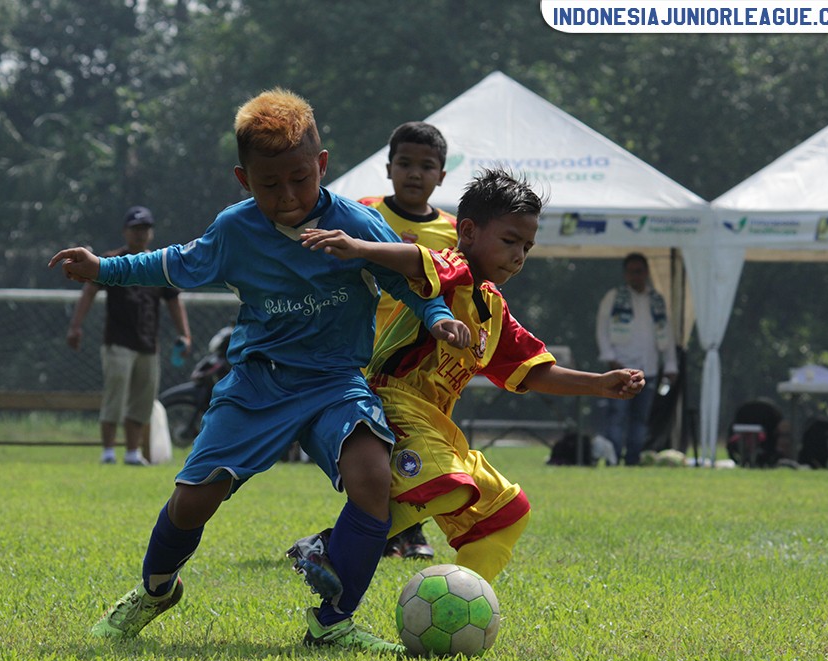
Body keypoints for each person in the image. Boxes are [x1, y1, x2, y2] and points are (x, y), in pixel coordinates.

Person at [48, 88, 469, 653]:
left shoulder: (357, 224)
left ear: (320, 165)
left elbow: (409, 278)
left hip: (335, 383)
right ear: (245, 180)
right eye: (269, 185)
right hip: (258, 381)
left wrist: (439, 317)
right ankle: (154, 591)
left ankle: (333, 622)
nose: (288, 195)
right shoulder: (236, 229)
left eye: (300, 179)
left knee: (374, 481)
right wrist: (103, 266)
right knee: (194, 498)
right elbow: (172, 262)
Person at [287, 168, 645, 597]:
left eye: (527, 247)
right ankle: (324, 545)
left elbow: (532, 371)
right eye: (510, 240)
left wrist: (599, 383)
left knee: (508, 512)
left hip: (437, 425)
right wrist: (359, 247)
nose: (519, 255)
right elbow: (416, 260)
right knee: (451, 485)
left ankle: (456, 604)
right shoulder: (453, 269)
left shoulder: (493, 309)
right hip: (393, 402)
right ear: (469, 231)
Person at [359, 121, 458, 561]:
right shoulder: (364, 213)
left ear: (441, 175)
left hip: (422, 362)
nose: (414, 173)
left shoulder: (455, 232)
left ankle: (407, 530)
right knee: (374, 444)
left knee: (413, 441)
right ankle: (381, 528)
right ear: (388, 168)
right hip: (363, 353)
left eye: (426, 165)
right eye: (405, 163)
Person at [66, 206, 192, 466]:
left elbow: (174, 301)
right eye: (135, 229)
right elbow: (89, 291)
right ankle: (108, 451)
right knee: (115, 396)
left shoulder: (159, 265)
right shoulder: (112, 262)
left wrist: (185, 335)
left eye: (145, 229)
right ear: (125, 232)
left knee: (142, 401)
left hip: (148, 343)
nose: (140, 234)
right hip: (118, 342)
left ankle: (133, 452)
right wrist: (76, 326)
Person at [595, 252, 678, 466]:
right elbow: (602, 329)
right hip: (620, 366)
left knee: (641, 418)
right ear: (625, 274)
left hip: (648, 368)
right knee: (617, 415)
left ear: (646, 273)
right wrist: (610, 358)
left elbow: (666, 334)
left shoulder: (656, 299)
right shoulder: (614, 296)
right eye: (631, 272)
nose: (636, 276)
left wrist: (670, 364)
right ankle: (613, 459)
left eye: (639, 272)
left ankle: (633, 460)